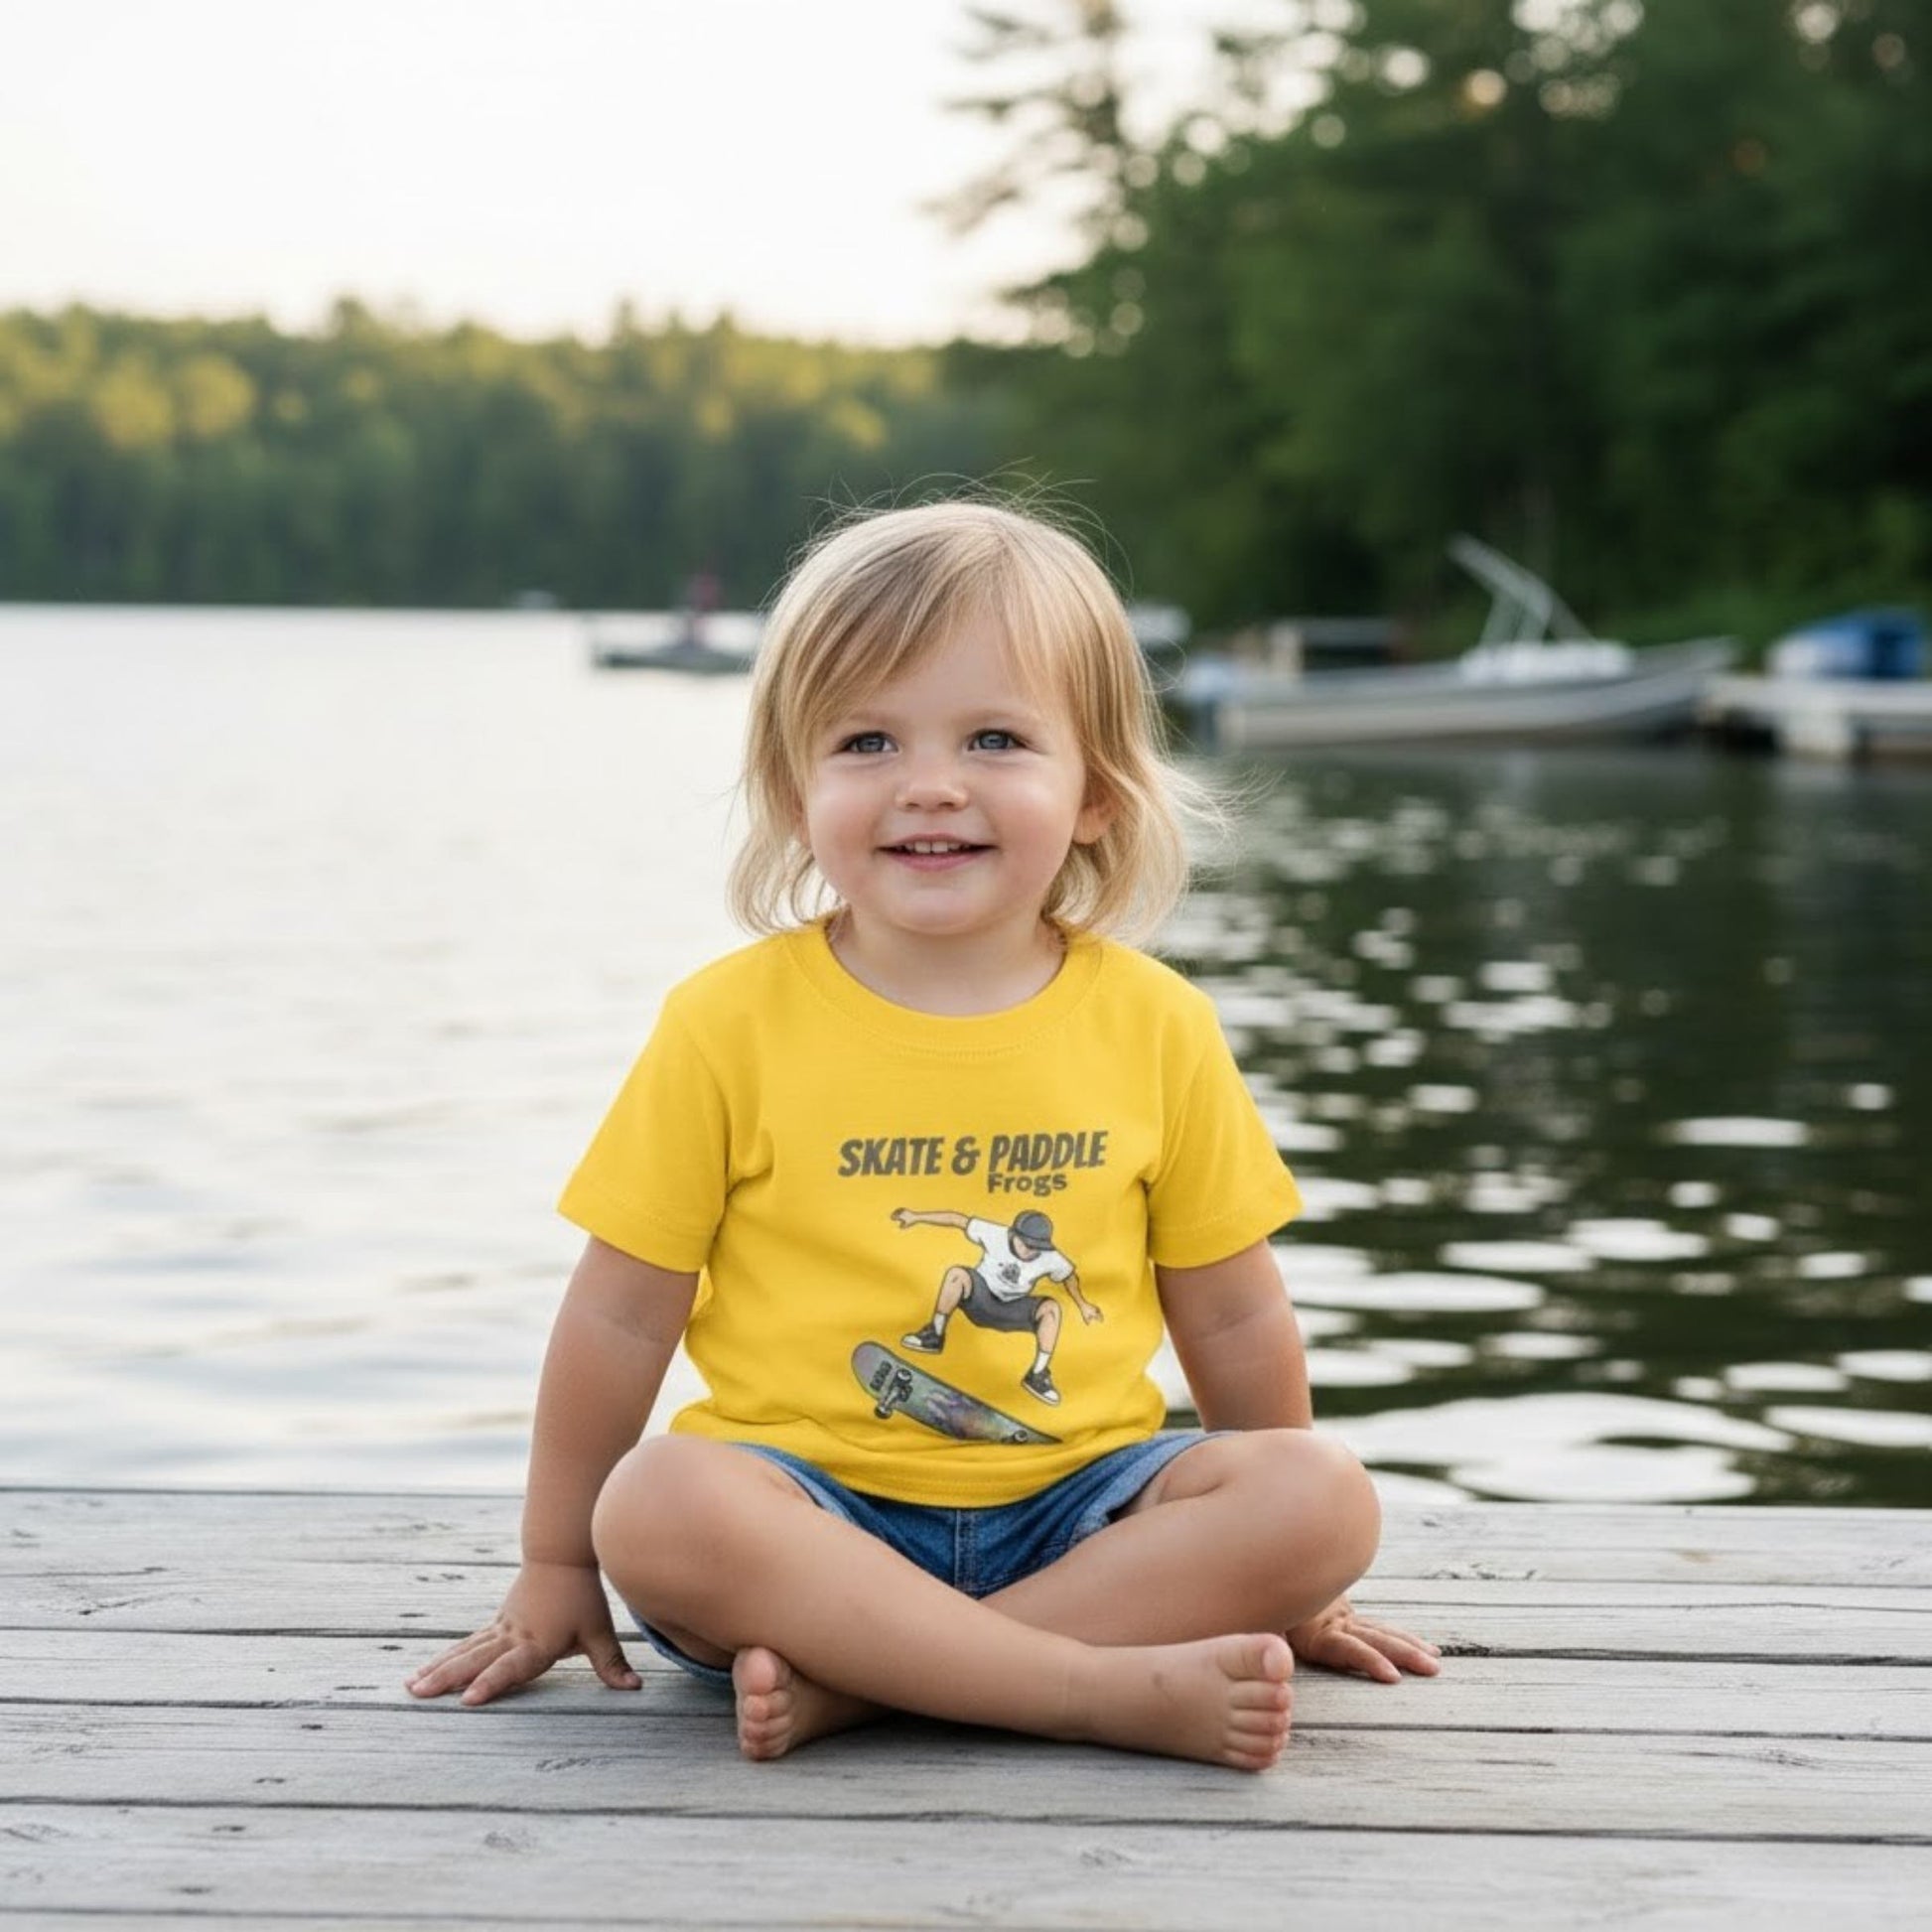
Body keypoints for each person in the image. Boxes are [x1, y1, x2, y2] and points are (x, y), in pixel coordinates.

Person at [406, 499, 1439, 1771]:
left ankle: (873, 1688)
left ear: (1096, 790)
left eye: (994, 738)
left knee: (1318, 1492)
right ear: (794, 790)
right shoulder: (726, 1023)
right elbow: (620, 1314)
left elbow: (1229, 1314)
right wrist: (557, 1559)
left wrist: (1295, 1580)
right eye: (866, 740)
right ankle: (1080, 1686)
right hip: (807, 1523)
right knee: (658, 1502)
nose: (930, 783)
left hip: (1080, 1514)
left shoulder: (1156, 1024)